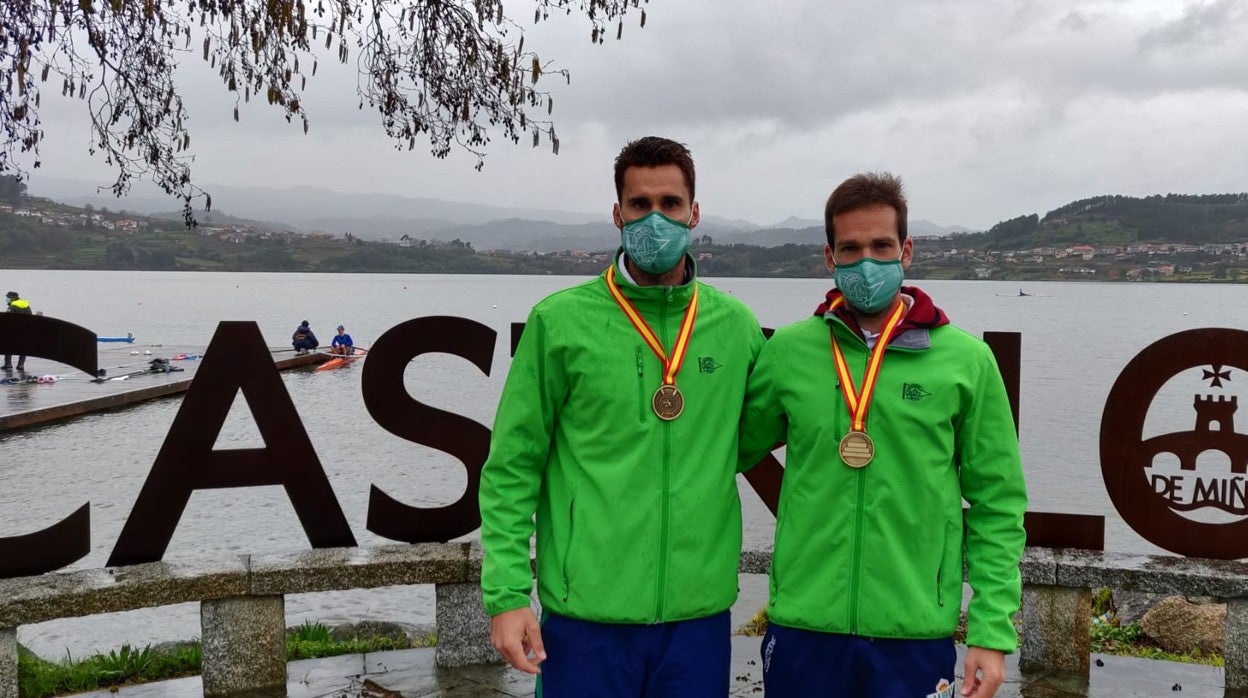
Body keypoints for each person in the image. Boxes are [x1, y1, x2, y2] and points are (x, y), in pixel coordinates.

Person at [479, 136, 766, 696]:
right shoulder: (559, 323)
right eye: (640, 205)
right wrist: (508, 595)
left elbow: (748, 439)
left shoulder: (736, 327)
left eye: (671, 204)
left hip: (697, 619)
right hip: (586, 617)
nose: (655, 218)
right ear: (617, 214)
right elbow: (512, 467)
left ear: (695, 213)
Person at [740, 172, 1027, 698]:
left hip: (915, 630)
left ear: (907, 250)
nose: (865, 261)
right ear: (829, 257)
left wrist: (991, 630)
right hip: (804, 627)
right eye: (849, 248)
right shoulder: (788, 352)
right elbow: (719, 449)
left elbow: (998, 505)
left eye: (880, 246)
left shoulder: (967, 362)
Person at [3, 291, 32, 371]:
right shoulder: (26, 305)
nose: (7, 299)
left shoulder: (12, 306)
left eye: (8, 298)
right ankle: (21, 365)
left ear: (12, 298)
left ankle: (8, 365)